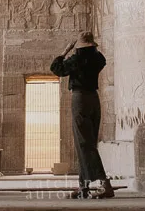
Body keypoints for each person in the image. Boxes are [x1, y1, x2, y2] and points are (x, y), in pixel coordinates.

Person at [50, 31, 114, 199]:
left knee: (84, 143)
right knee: (86, 143)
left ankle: (104, 183)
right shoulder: (97, 58)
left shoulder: (77, 59)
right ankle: (83, 186)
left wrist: (66, 50)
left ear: (79, 46)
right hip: (94, 99)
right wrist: (90, 47)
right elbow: (102, 59)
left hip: (80, 99)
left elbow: (56, 69)